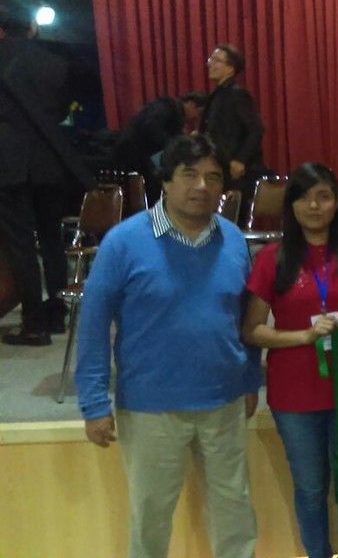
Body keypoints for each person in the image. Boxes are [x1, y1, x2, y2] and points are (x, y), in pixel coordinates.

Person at [75, 133, 260, 557]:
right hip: (150, 407)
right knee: (151, 518)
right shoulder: (122, 242)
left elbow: (245, 319)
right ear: (166, 180)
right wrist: (93, 402)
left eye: (213, 177)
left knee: (235, 513)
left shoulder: (232, 239)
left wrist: (251, 379)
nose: (202, 186)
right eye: (189, 174)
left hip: (224, 402)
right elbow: (94, 325)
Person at [242, 162, 338, 558]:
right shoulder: (272, 257)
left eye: (323, 196)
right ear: (291, 205)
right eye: (303, 196)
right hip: (295, 394)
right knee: (312, 488)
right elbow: (252, 330)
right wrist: (303, 335)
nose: (314, 205)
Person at [0, 0, 92, 345]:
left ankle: (33, 322)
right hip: (49, 160)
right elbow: (57, 115)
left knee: (21, 243)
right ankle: (56, 312)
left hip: (8, 161)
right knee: (52, 238)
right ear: (34, 27)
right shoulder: (55, 64)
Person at [200, 43, 265, 215]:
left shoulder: (236, 94)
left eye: (216, 60)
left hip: (236, 171)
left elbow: (255, 129)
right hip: (220, 166)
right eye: (210, 59)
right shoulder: (217, 95)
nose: (210, 64)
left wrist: (240, 160)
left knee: (234, 219)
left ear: (230, 68)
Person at [113, 91, 207, 203]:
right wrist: (174, 143)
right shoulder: (167, 106)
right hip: (134, 153)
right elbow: (151, 128)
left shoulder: (170, 110)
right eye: (198, 112)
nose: (196, 117)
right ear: (191, 104)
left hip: (142, 153)